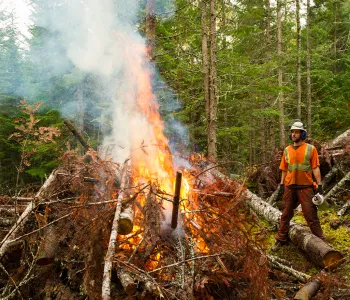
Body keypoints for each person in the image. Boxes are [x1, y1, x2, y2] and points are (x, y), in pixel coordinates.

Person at [271, 120, 325, 252]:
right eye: (292, 132)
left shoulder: (310, 149)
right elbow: (284, 169)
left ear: (303, 134)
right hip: (290, 186)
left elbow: (315, 168)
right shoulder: (287, 150)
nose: (294, 134)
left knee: (311, 215)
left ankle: (321, 242)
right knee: (285, 214)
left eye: (297, 132)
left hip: (305, 187)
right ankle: (281, 239)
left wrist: (319, 185)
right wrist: (282, 184)